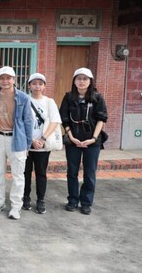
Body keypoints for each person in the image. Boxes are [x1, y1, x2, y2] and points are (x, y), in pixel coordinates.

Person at [59, 67, 107, 215]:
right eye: (78, 78)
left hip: (92, 142)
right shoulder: (68, 97)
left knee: (89, 172)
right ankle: (73, 200)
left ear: (90, 81)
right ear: (74, 81)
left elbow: (101, 119)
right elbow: (64, 119)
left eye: (85, 79)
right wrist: (71, 137)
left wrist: (93, 138)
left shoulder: (97, 98)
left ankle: (86, 202)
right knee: (72, 172)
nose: (81, 81)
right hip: (73, 140)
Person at [0, 66, 32, 220]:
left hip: (17, 139)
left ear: (14, 79)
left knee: (18, 175)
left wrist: (27, 144)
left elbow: (28, 122)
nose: (5, 81)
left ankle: (16, 206)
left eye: (8, 78)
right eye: (2, 78)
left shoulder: (23, 98)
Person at [23, 73, 61, 214]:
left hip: (43, 145)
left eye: (40, 83)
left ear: (44, 86)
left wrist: (42, 139)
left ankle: (40, 200)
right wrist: (31, 140)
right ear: (29, 86)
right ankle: (25, 197)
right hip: (27, 144)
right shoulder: (25, 100)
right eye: (34, 83)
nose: (37, 86)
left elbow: (55, 121)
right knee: (25, 173)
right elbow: (20, 121)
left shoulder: (49, 102)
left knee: (41, 173)